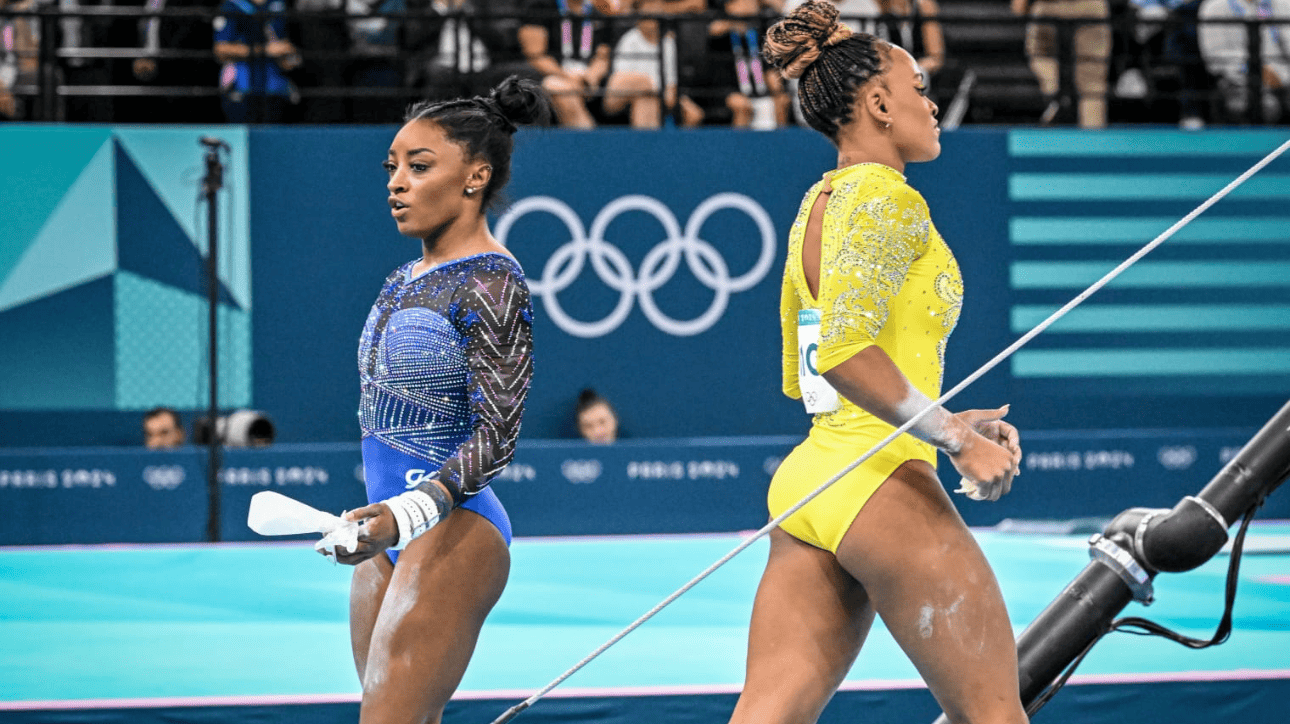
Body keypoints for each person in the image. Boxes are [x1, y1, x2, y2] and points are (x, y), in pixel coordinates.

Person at [728, 3, 1025, 723]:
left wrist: (944, 414)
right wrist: (952, 438)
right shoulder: (887, 201)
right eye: (919, 87)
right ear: (880, 103)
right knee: (994, 717)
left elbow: (844, 359)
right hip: (878, 481)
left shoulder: (821, 199)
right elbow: (843, 354)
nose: (931, 103)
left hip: (813, 482)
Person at [328, 76, 549, 724]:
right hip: (392, 530)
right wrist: (385, 522)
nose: (397, 182)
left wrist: (410, 513)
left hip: (451, 526)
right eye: (392, 167)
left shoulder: (492, 280)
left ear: (475, 177)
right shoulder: (404, 276)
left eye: (419, 166)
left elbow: (499, 432)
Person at [1013, 0, 1112, 127]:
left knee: (1040, 54)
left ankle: (1055, 93)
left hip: (1049, 9)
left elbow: (1018, 8)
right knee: (1091, 84)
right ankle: (1093, 139)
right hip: (1091, 8)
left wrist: (1021, 6)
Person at [605, 0, 703, 126]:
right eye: (648, 13)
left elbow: (671, 84)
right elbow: (621, 80)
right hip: (620, 97)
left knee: (692, 114)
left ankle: (657, 144)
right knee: (645, 87)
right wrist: (656, 89)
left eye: (656, 12)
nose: (652, 18)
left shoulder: (668, 43)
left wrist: (679, 101)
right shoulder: (630, 39)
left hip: (655, 96)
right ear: (639, 16)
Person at [1197, 0, 1290, 123]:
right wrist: (1258, 70)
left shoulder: (1284, 4)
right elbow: (1215, 56)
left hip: (1283, 74)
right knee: (1266, 105)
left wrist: (1281, 75)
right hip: (1238, 79)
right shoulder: (1214, 6)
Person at [213, 0, 302, 123]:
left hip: (275, 88)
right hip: (240, 85)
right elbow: (220, 50)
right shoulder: (233, 5)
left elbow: (284, 50)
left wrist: (289, 56)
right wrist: (263, 50)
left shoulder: (278, 5)